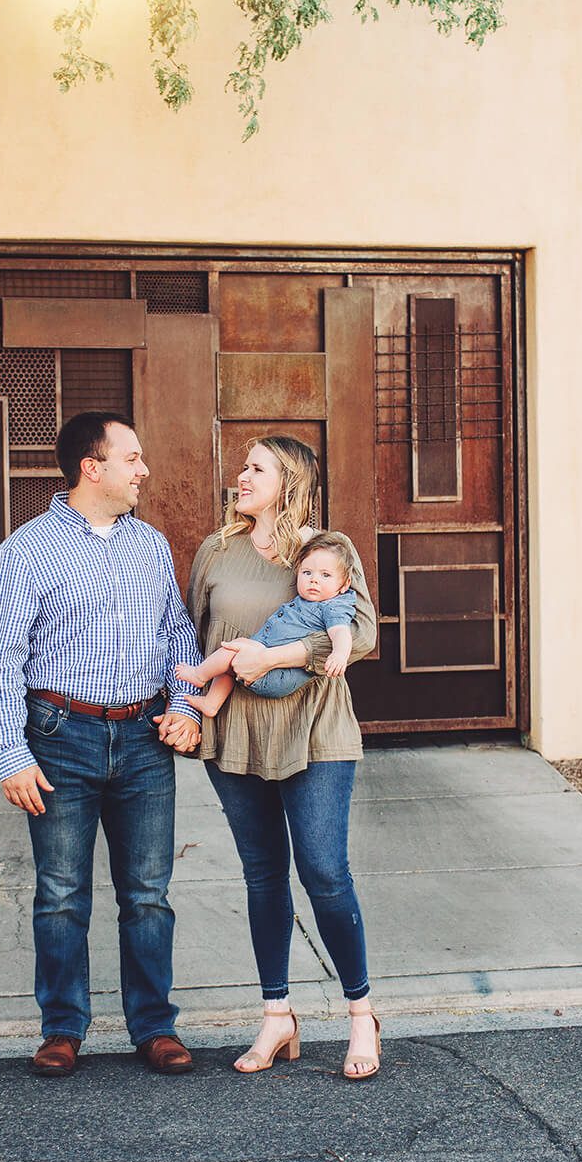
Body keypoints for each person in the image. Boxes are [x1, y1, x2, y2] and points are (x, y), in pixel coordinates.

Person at [0, 411, 206, 1079]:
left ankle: (154, 1027)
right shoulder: (25, 551)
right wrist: (12, 754)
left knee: (147, 894)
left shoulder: (151, 546)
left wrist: (185, 708)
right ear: (91, 467)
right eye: (132, 457)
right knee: (60, 893)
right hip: (60, 738)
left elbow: (178, 638)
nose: (145, 470)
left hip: (143, 738)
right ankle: (63, 1027)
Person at [186, 436, 383, 1079]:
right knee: (264, 876)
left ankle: (361, 1014)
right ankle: (278, 1017)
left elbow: (364, 635)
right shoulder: (216, 551)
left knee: (324, 872)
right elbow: (197, 637)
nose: (240, 476)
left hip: (315, 732)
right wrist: (191, 710)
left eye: (256, 468)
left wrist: (279, 657)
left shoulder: (326, 550)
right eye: (242, 466)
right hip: (238, 734)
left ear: (290, 479)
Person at [173, 531, 358, 718]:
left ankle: (199, 675)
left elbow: (341, 632)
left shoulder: (333, 607)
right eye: (307, 572)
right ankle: (212, 703)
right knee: (235, 649)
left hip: (277, 673)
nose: (314, 579)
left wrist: (339, 654)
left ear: (344, 584)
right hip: (267, 660)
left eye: (326, 575)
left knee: (231, 653)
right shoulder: (312, 601)